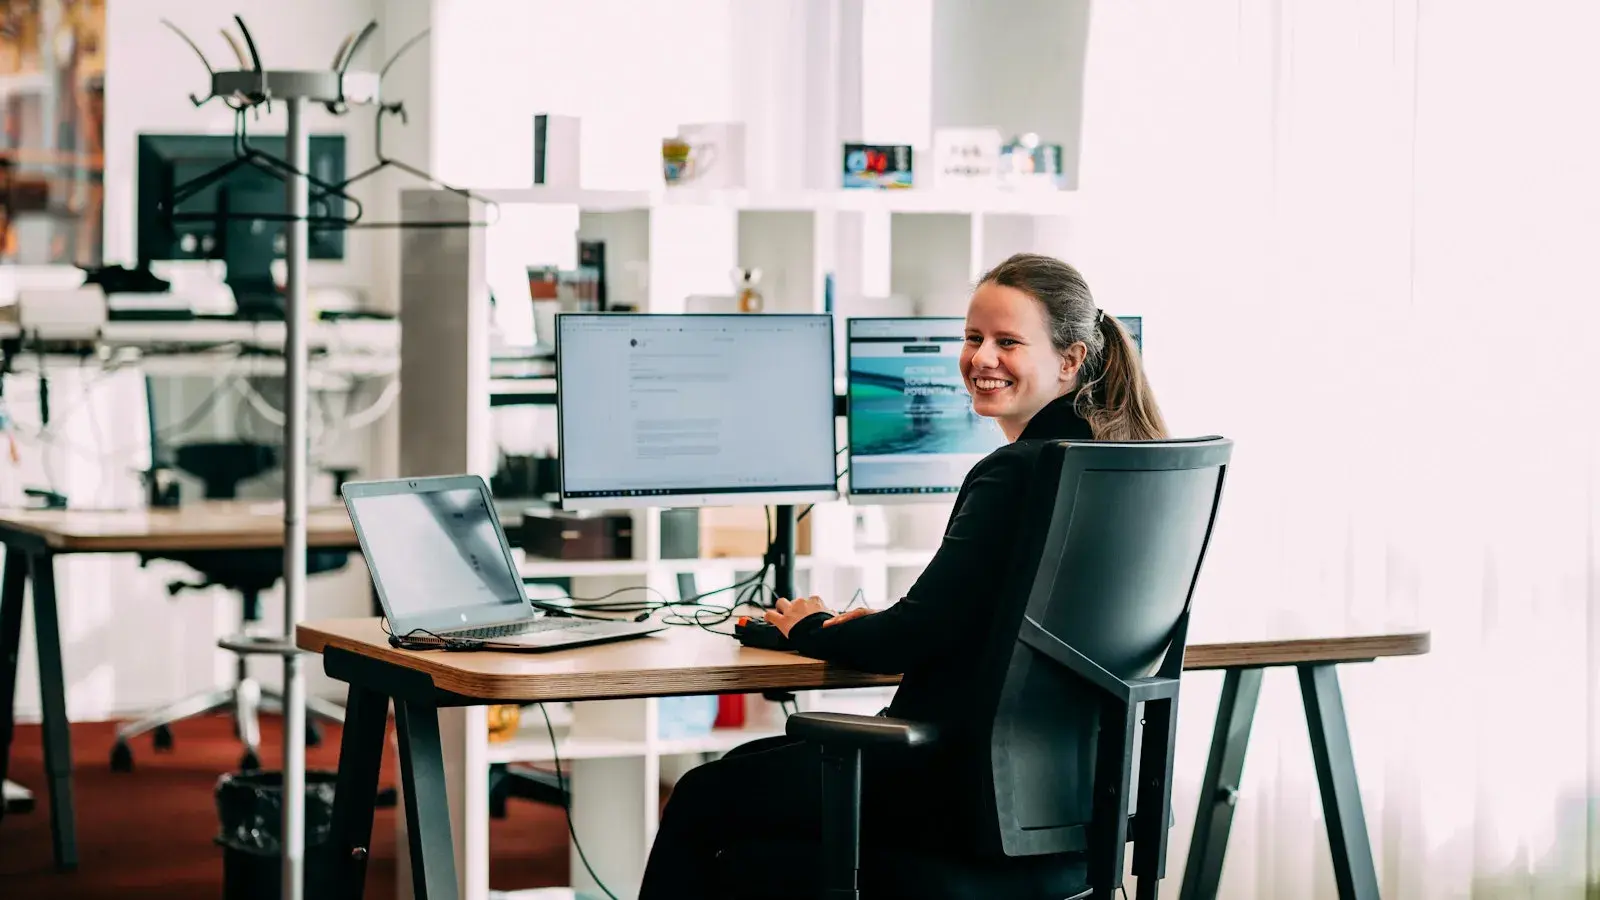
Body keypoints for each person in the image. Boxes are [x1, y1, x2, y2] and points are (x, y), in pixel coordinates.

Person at [638, 252, 1169, 898]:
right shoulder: (1121, 473)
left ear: (1070, 360)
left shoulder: (1016, 473)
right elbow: (984, 622)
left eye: (1007, 342)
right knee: (749, 770)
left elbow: (908, 639)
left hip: (952, 800)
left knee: (701, 797)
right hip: (1072, 818)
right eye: (973, 338)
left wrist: (810, 627)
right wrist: (893, 623)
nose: (981, 358)